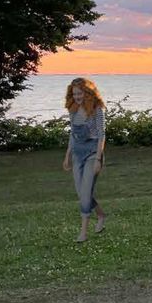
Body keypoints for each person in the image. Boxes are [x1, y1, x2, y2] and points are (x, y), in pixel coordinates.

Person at [62, 77, 107, 243]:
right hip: (77, 153)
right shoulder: (73, 110)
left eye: (80, 93)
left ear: (87, 92)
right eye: (74, 94)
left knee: (86, 192)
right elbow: (72, 134)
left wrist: (98, 158)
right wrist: (67, 155)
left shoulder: (97, 109)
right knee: (82, 193)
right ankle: (101, 215)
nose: (77, 97)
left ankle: (83, 232)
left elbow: (102, 135)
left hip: (92, 152)